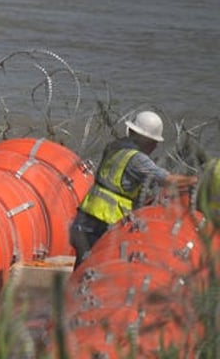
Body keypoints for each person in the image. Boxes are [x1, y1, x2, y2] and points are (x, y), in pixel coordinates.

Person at [69, 111, 197, 268]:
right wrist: (197, 180)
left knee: (82, 272)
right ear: (144, 138)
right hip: (101, 225)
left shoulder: (114, 147)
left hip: (84, 220)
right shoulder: (137, 159)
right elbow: (168, 180)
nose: (156, 145)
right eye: (153, 141)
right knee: (95, 273)